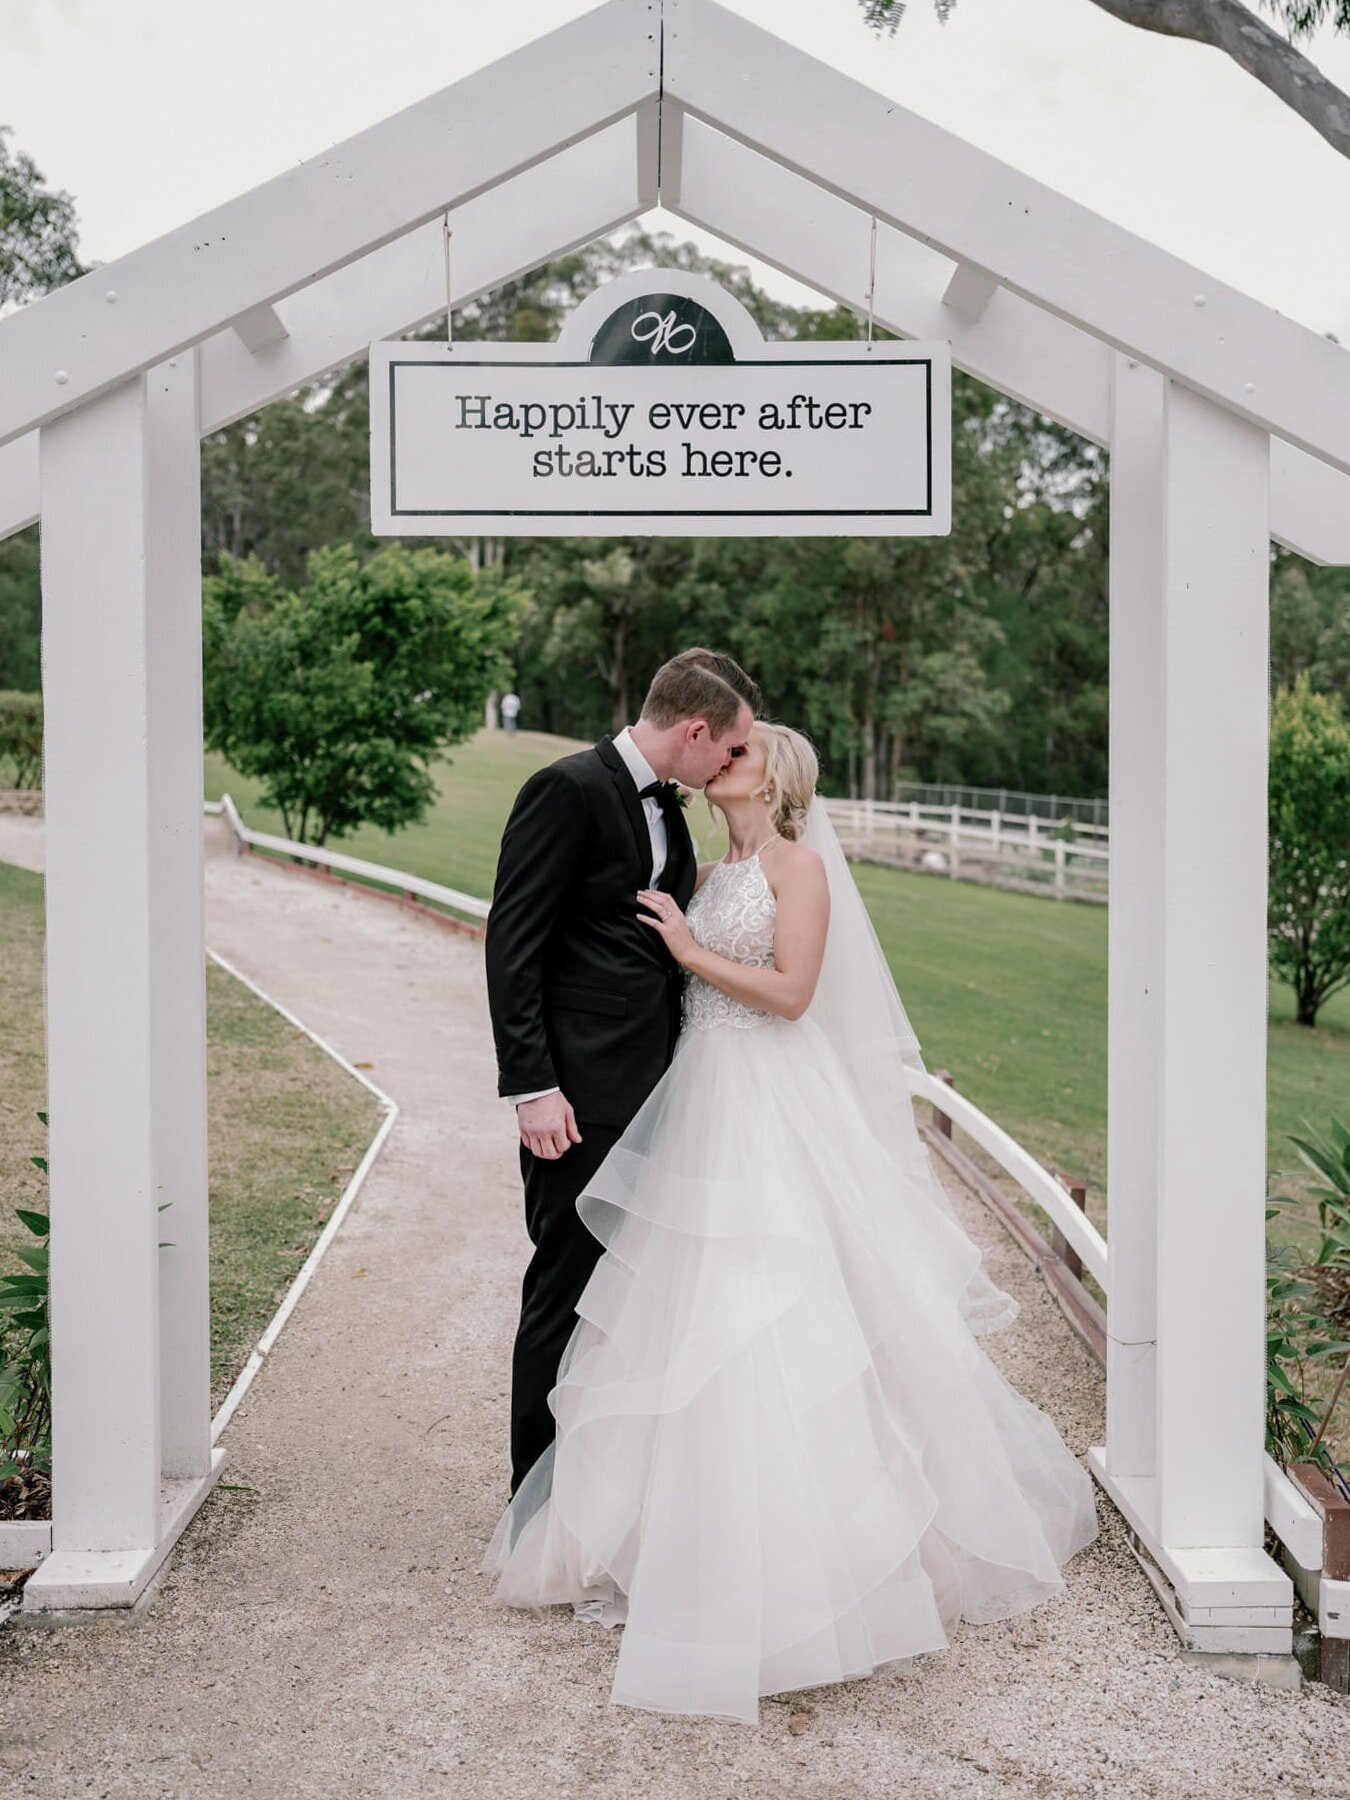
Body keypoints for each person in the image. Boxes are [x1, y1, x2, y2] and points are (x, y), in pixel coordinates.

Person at [481, 719, 1100, 1727]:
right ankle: (675, 1535)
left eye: (741, 754)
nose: (722, 762)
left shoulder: (799, 867)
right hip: (698, 1096)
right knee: (677, 1315)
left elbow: (794, 994)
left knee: (773, 1309)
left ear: (776, 778)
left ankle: (805, 1566)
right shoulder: (706, 859)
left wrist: (685, 947)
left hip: (768, 1098)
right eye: (721, 750)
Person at [484, 647, 761, 1502]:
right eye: (730, 748)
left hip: (658, 1087)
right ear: (697, 729)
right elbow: (513, 943)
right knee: (565, 1290)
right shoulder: (565, 789)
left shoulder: (671, 810)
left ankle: (606, 1495)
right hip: (577, 1097)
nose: (729, 764)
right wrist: (532, 1087)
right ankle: (536, 1506)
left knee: (630, 1299)